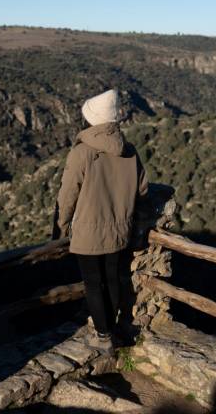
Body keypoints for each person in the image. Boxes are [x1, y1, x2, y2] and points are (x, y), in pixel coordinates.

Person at [52, 88, 148, 352]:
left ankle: (103, 336)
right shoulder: (129, 151)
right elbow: (142, 190)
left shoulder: (81, 153)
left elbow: (68, 194)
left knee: (93, 283)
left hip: (89, 231)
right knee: (113, 278)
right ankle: (112, 329)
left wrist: (60, 226)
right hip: (120, 228)